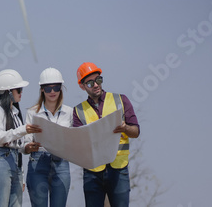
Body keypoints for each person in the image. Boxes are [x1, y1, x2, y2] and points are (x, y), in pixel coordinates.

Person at [72, 62, 140, 207]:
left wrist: (125, 128)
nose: (96, 85)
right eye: (90, 83)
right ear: (82, 86)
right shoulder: (78, 111)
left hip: (119, 169)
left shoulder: (120, 100)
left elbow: (135, 131)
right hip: (92, 172)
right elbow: (77, 144)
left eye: (98, 80)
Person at [0, 69, 43, 207]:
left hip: (15, 162)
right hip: (1, 161)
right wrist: (23, 130)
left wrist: (26, 148)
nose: (21, 93)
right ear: (8, 92)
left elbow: (16, 144)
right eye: (19, 89)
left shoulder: (16, 114)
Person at [25, 67, 72, 207]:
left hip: (61, 163)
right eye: (48, 88)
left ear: (61, 88)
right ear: (41, 89)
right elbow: (25, 142)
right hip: (38, 162)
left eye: (56, 87)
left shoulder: (70, 112)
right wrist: (28, 147)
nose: (52, 92)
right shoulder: (32, 112)